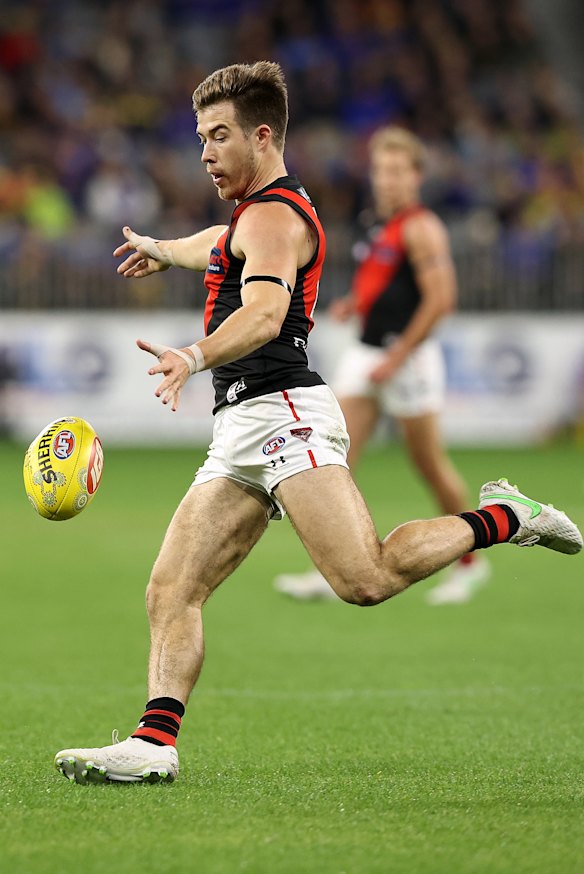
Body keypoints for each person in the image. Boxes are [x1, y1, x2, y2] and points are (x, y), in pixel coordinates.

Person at [54, 61, 582, 785]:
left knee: (364, 577)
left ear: (263, 135)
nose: (204, 153)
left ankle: (506, 517)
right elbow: (216, 243)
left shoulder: (274, 215)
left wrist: (192, 353)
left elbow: (267, 312)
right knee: (171, 589)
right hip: (241, 427)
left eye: (218, 137)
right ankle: (154, 744)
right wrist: (160, 250)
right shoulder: (254, 213)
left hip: (285, 415)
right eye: (200, 137)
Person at [274, 126, 489, 606]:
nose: (387, 180)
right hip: (366, 351)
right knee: (334, 457)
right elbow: (387, 283)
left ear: (416, 176)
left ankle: (471, 562)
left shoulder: (421, 226)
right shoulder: (378, 223)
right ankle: (339, 568)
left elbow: (440, 301)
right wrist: (354, 303)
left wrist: (397, 357)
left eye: (397, 171)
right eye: (380, 170)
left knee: (429, 466)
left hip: (406, 358)